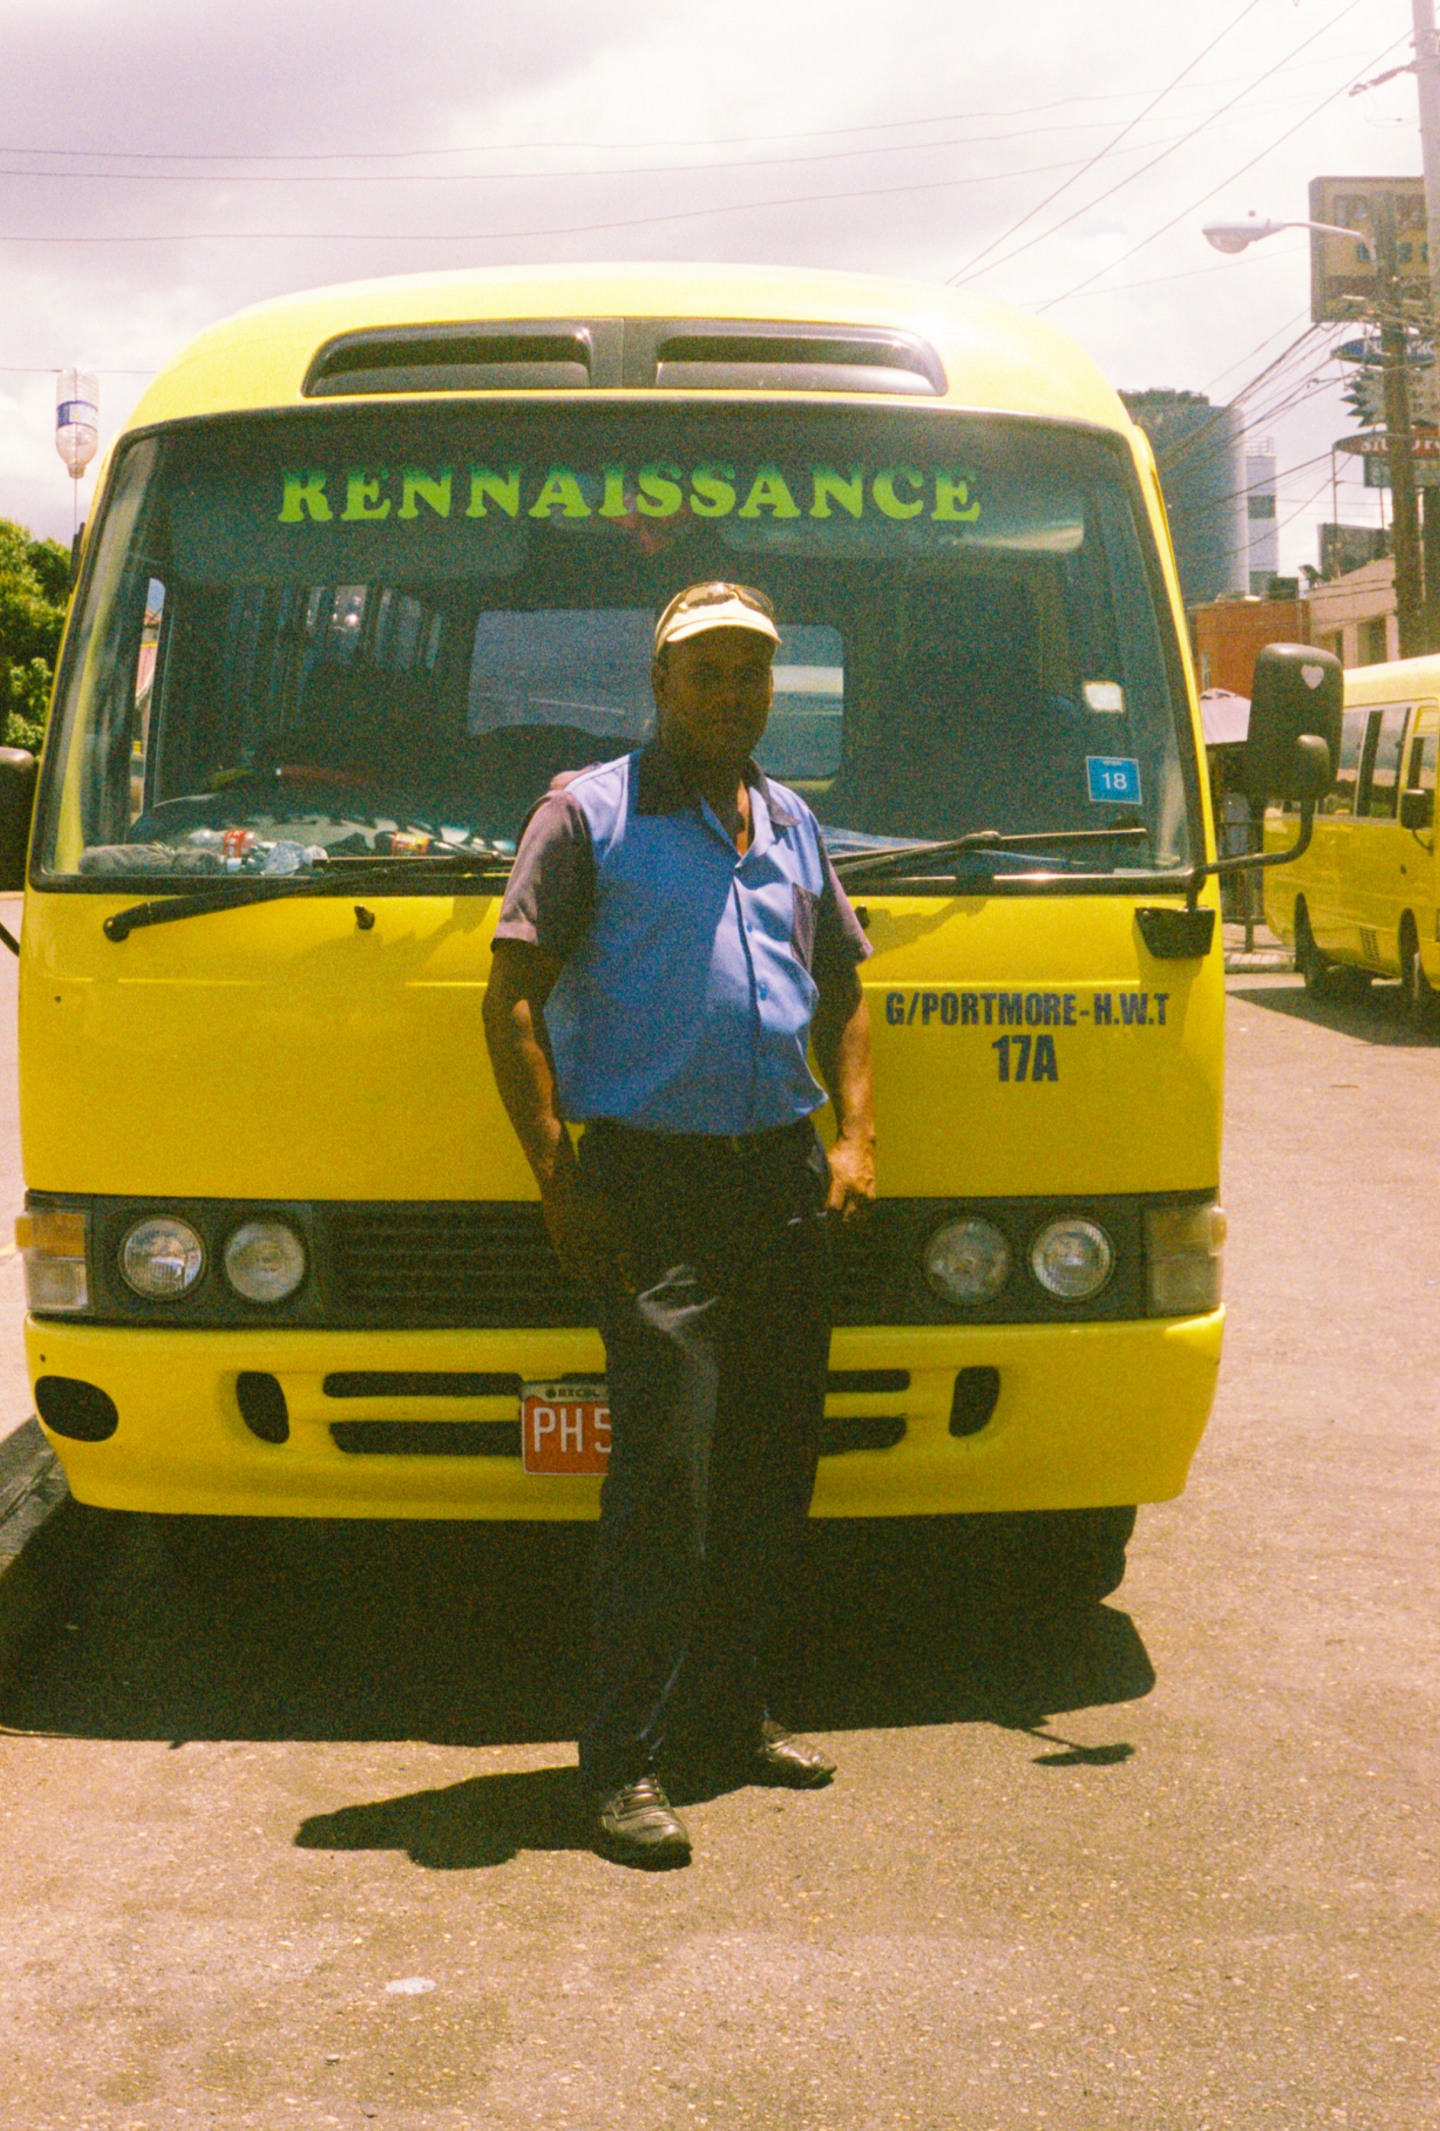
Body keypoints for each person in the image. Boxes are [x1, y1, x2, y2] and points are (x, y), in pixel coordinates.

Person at [483, 580, 875, 1869]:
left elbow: (848, 989)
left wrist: (855, 1137)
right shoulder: (587, 812)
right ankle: (624, 1765)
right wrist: (557, 1174)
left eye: (751, 672)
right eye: (706, 672)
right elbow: (512, 998)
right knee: (665, 1475)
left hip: (779, 1180)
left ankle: (731, 1720)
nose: (731, 694)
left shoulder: (793, 819)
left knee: (769, 1463)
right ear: (659, 684)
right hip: (650, 1187)